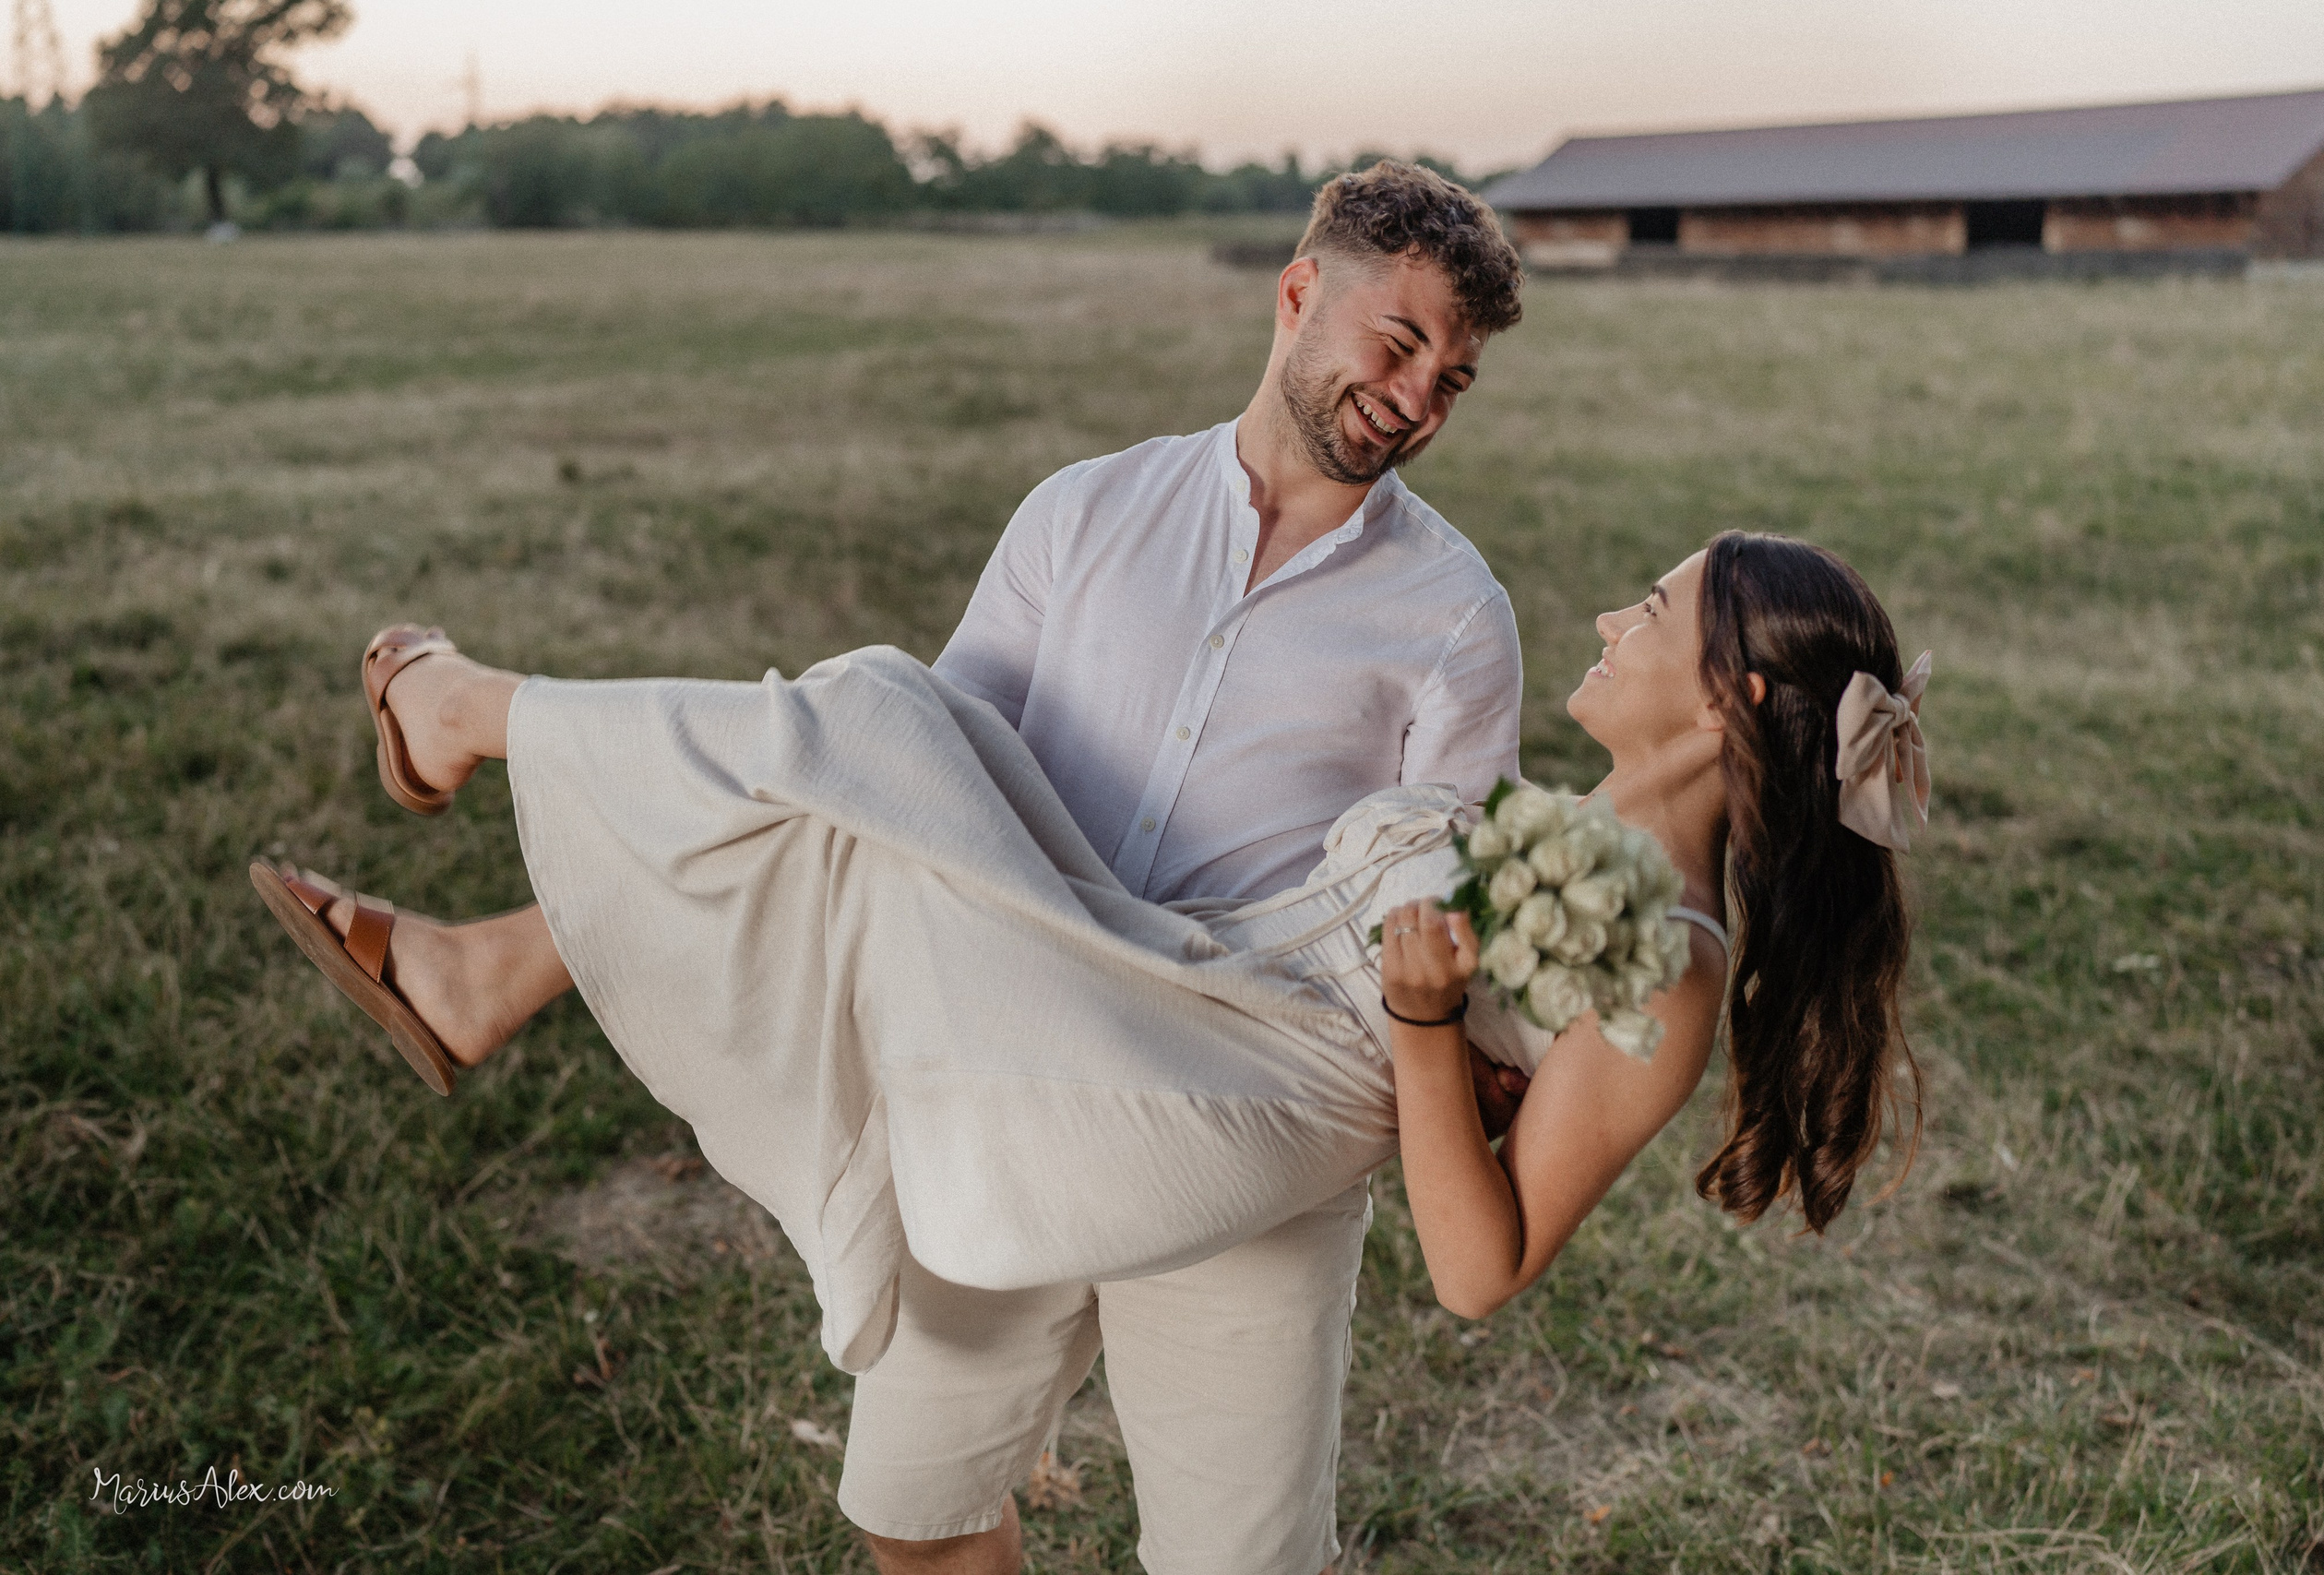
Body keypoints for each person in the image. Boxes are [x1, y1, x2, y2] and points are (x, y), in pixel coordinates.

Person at [255, 531, 1927, 1565]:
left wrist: (1427, 1031)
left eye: (1659, 608)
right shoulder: (1558, 825)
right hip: (1190, 985)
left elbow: (1480, 1266)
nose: (1618, 615)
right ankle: (484, 963)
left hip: (1242, 1096)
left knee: (876, 770)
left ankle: (481, 722)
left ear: (1724, 708)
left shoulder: (1676, 959)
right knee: (899, 720)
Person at [347, 159, 1534, 1575]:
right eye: (1396, 345)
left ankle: (476, 747)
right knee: (912, 1521)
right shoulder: (1084, 512)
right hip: (1007, 1061)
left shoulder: (1455, 616)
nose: (1414, 399)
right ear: (1297, 297)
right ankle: (485, 932)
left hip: (1239, 1111)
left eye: (1450, 382)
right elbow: (908, 779)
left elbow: (1441, 898)